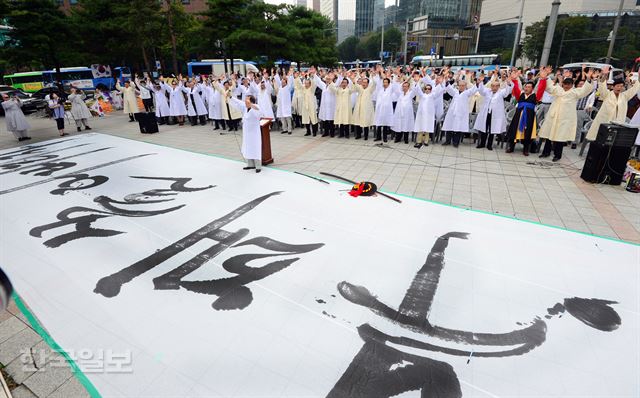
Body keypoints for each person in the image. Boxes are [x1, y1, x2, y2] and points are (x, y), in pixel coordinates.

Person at [538, 66, 594, 161]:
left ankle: (557, 155)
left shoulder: (575, 92)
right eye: (565, 84)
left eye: (569, 84)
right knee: (548, 135)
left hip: (564, 119)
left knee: (560, 137)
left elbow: (585, 90)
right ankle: (546, 152)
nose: (566, 86)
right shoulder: (558, 90)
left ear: (572, 85)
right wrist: (545, 76)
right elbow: (549, 86)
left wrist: (588, 78)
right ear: (563, 84)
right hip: (554, 116)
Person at [585, 68, 640, 144]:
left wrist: (639, 76)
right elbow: (602, 87)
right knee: (599, 142)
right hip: (605, 122)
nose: (619, 88)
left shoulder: (625, 96)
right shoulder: (607, 94)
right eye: (617, 86)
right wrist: (604, 75)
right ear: (613, 87)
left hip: (617, 124)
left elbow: (635, 89)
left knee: (613, 143)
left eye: (621, 86)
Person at [506, 68, 549, 155]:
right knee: (515, 130)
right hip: (518, 115)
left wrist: (543, 79)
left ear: (532, 89)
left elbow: (541, 89)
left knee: (528, 131)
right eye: (525, 86)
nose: (526, 88)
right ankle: (511, 147)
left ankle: (526, 149)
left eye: (529, 87)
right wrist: (514, 80)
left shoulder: (535, 96)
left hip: (529, 116)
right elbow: (516, 89)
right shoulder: (520, 95)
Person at [473, 73, 513, 151]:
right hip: (486, 113)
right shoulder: (487, 91)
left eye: (496, 86)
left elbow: (508, 91)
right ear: (491, 86)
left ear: (499, 86)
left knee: (492, 129)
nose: (494, 87)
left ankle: (489, 145)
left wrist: (508, 83)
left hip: (495, 115)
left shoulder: (501, 92)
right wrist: (480, 82)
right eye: (493, 86)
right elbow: (481, 90)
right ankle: (482, 143)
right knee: (484, 128)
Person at [442, 71, 478, 147]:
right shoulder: (455, 92)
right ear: (458, 85)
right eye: (460, 85)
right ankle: (448, 141)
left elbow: (474, 90)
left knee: (458, 128)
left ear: (465, 86)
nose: (461, 87)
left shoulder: (467, 93)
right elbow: (448, 88)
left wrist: (478, 83)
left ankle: (456, 142)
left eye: (463, 85)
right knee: (449, 126)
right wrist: (446, 79)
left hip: (460, 113)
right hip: (452, 112)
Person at [228, 93, 262, 173]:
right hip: (247, 133)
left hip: (254, 133)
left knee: (255, 148)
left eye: (247, 100)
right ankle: (250, 164)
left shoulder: (256, 107)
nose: (245, 102)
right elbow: (238, 102)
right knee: (247, 147)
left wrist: (251, 104)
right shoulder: (245, 107)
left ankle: (258, 166)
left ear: (251, 101)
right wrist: (230, 97)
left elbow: (258, 110)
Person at [413, 75, 445, 148]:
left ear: (431, 90)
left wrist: (441, 83)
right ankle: (419, 141)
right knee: (420, 127)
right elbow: (417, 89)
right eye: (426, 88)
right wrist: (417, 82)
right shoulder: (422, 95)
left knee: (427, 128)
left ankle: (426, 141)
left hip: (428, 115)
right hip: (421, 115)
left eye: (429, 89)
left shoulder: (433, 96)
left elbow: (441, 91)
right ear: (424, 89)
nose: (427, 90)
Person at [372, 68, 397, 142]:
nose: (385, 83)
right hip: (380, 108)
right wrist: (380, 72)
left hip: (387, 109)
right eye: (384, 82)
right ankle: (378, 137)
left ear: (388, 83)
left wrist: (388, 75)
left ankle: (385, 137)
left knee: (385, 123)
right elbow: (377, 80)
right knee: (379, 123)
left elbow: (394, 85)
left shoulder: (390, 88)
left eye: (386, 82)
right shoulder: (380, 88)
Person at [351, 70, 376, 140]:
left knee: (365, 122)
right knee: (358, 121)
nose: (363, 84)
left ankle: (366, 136)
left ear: (368, 84)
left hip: (366, 109)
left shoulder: (370, 89)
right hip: (359, 108)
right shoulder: (360, 88)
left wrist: (372, 76)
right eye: (363, 82)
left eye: (365, 83)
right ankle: (358, 135)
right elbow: (355, 85)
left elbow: (374, 84)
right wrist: (354, 78)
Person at [294, 69, 319, 137]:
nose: (306, 84)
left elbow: (314, 83)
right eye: (305, 83)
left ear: (309, 84)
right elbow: (299, 85)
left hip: (311, 106)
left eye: (307, 83)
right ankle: (308, 131)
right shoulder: (304, 88)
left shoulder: (312, 89)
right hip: (305, 106)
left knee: (313, 119)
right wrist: (296, 77)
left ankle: (314, 132)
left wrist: (311, 75)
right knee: (306, 119)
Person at [314, 70, 338, 137]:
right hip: (325, 106)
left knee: (331, 120)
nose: (327, 80)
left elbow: (335, 91)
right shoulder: (324, 86)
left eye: (329, 79)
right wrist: (314, 74)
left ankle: (332, 132)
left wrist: (331, 83)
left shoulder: (334, 85)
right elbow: (318, 82)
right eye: (326, 79)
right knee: (325, 120)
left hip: (331, 106)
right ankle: (326, 132)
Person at [329, 71, 353, 138]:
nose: (344, 84)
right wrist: (331, 81)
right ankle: (341, 134)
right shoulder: (338, 90)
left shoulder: (349, 90)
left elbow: (354, 87)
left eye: (345, 82)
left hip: (346, 108)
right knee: (341, 121)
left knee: (346, 121)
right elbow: (332, 88)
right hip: (340, 108)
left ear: (347, 83)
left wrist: (351, 78)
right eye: (342, 82)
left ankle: (347, 134)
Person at [391, 78, 415, 144]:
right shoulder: (400, 93)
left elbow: (415, 90)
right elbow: (395, 88)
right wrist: (396, 81)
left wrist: (415, 81)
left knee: (406, 125)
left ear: (408, 87)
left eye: (406, 86)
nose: (404, 88)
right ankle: (398, 138)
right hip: (399, 113)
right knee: (399, 125)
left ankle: (406, 139)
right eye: (403, 86)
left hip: (407, 113)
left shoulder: (410, 94)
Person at [274, 69, 294, 135]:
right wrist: (277, 73)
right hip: (281, 105)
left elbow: (290, 81)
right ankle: (284, 129)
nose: (282, 83)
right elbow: (277, 80)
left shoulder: (288, 87)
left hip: (286, 105)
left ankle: (289, 129)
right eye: (282, 82)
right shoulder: (280, 88)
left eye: (284, 82)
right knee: (282, 118)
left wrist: (289, 74)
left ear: (286, 83)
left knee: (288, 118)